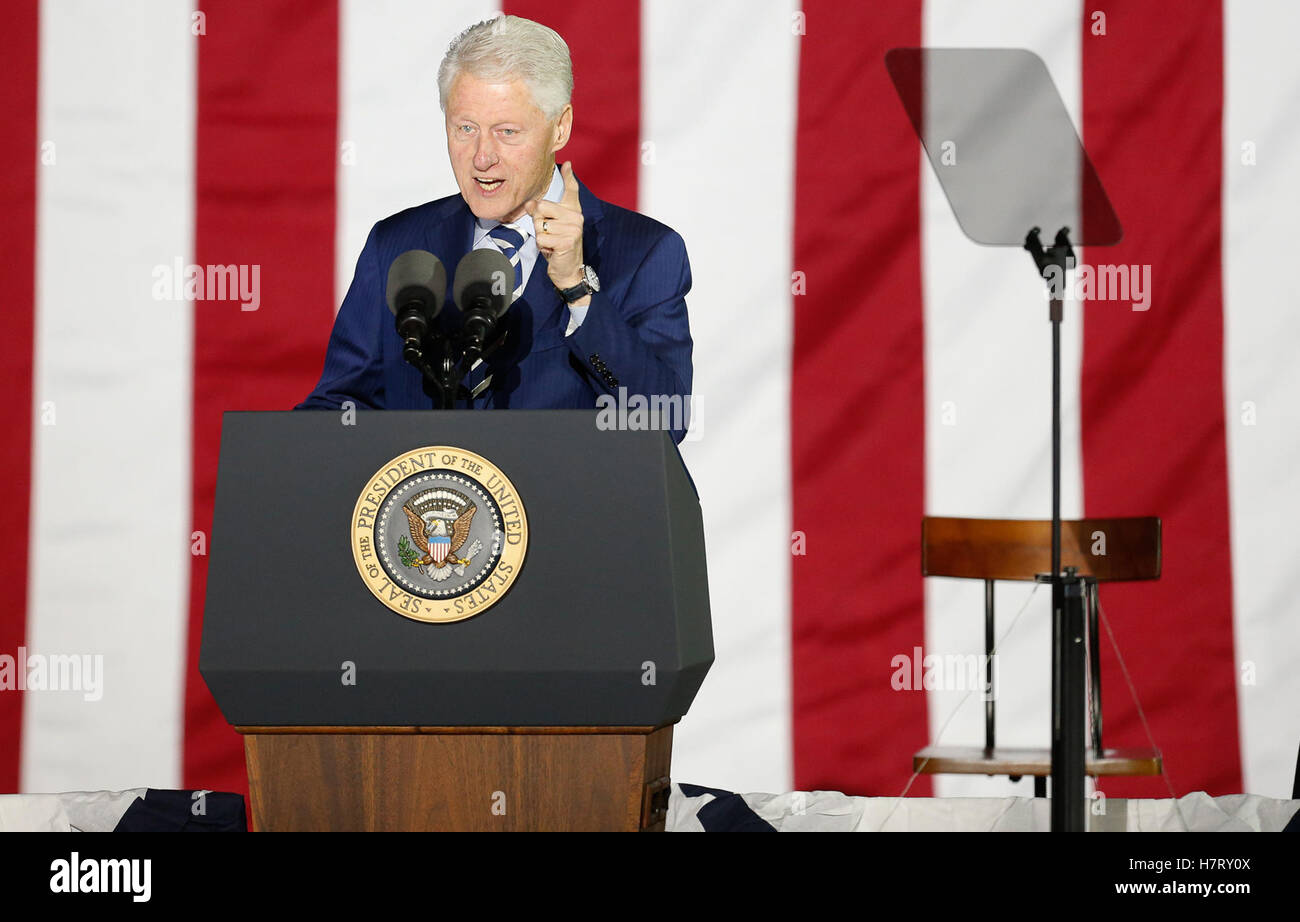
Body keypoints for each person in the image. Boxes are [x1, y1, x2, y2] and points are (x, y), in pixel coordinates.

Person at [298, 15, 693, 443]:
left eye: (507, 132)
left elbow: (663, 420)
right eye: (465, 128)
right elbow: (339, 406)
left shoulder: (645, 253)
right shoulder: (396, 245)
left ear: (560, 127)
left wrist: (577, 290)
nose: (482, 157)